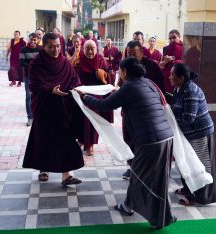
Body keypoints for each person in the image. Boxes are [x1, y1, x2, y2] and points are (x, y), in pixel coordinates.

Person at [77, 57, 176, 229]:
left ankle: (161, 218)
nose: (119, 73)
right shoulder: (147, 83)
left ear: (125, 72)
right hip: (166, 137)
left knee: (139, 177)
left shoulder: (129, 87)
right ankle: (129, 206)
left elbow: (104, 106)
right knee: (156, 178)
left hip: (150, 140)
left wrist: (84, 97)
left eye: (120, 71)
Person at [22, 33, 84, 185]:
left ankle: (66, 175)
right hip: (44, 106)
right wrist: (51, 89)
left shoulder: (63, 61)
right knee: (44, 139)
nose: (55, 49)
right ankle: (43, 169)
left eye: (58, 46)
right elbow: (34, 85)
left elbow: (73, 78)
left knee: (65, 139)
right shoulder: (37, 62)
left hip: (63, 106)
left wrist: (79, 88)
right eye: (51, 47)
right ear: (44, 46)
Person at [170, 63, 216, 206]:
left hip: (199, 133)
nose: (170, 77)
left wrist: (170, 116)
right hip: (188, 133)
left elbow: (188, 117)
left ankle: (200, 197)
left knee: (200, 165)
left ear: (181, 77)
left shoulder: (191, 91)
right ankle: (187, 189)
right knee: (187, 162)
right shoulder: (179, 88)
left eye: (172, 75)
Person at [121, 40, 166, 179]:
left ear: (141, 52)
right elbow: (121, 85)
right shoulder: (125, 66)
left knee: (143, 141)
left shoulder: (151, 65)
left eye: (134, 54)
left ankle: (144, 169)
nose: (131, 58)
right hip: (129, 110)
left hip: (146, 114)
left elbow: (160, 88)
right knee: (129, 139)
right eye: (129, 54)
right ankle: (132, 166)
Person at [76, 40, 113, 156]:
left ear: (96, 49)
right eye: (88, 49)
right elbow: (74, 75)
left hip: (96, 95)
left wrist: (104, 74)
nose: (90, 51)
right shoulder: (79, 60)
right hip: (82, 93)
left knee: (92, 120)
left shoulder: (100, 59)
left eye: (92, 49)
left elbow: (109, 75)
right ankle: (82, 140)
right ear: (83, 49)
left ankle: (90, 145)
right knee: (81, 120)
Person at [19, 33, 41, 126]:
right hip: (28, 75)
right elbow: (21, 63)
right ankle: (30, 117)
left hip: (39, 76)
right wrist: (33, 66)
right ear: (29, 39)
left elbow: (43, 61)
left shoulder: (40, 49)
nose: (32, 42)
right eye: (31, 40)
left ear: (37, 40)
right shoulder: (23, 50)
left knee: (39, 95)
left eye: (34, 40)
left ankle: (38, 117)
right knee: (29, 96)